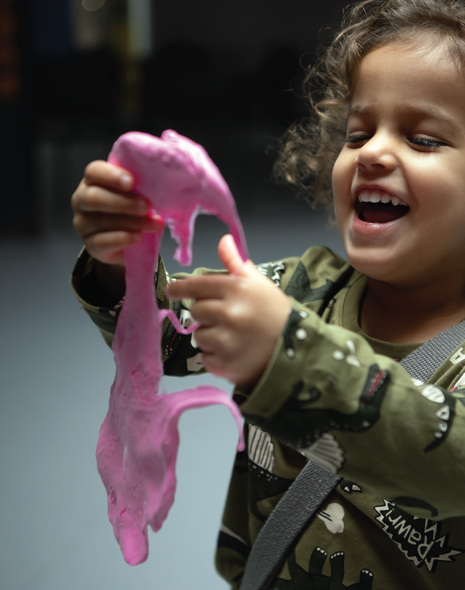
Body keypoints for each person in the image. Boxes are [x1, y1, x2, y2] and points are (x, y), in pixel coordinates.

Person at [70, 0, 465, 587]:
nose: (374, 152)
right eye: (358, 133)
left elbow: (447, 461)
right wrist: (120, 262)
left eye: (424, 139)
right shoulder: (302, 289)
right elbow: (163, 340)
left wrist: (290, 352)